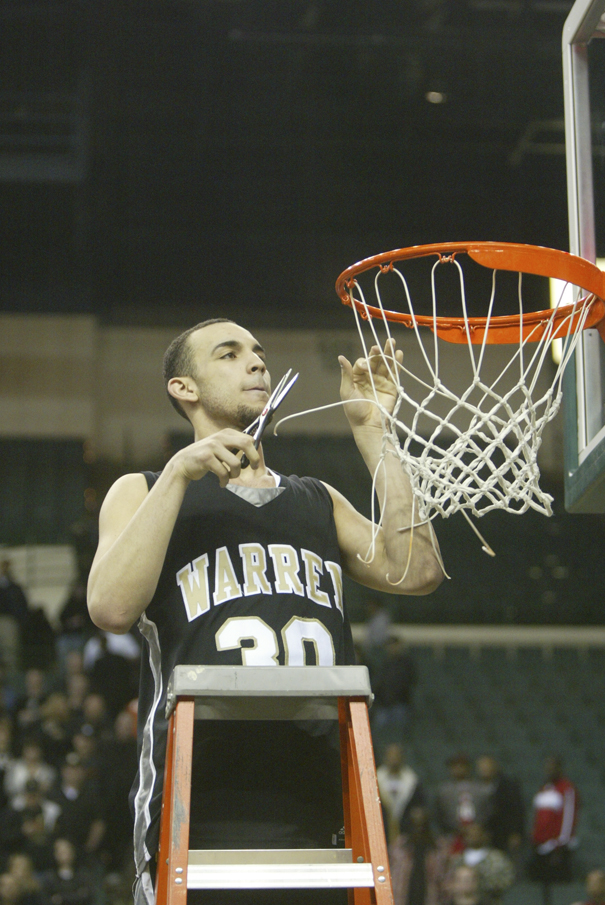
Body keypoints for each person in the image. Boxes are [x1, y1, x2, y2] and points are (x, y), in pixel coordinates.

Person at [86, 318, 444, 904]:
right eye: (229, 354)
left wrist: (376, 431)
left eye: (258, 352)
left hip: (315, 790)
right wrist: (180, 471)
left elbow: (418, 570)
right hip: (197, 798)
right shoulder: (143, 487)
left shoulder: (316, 498)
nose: (256, 363)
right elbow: (110, 607)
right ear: (184, 388)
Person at [528, 755, 579, 901]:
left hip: (557, 849)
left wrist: (561, 845)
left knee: (559, 893)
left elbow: (569, 820)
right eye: (547, 767)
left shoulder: (567, 789)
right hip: (540, 847)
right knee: (540, 892)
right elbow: (537, 818)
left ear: (559, 768)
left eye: (552, 767)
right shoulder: (543, 789)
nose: (549, 770)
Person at [388, 805, 449, 905]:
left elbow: (445, 880)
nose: (419, 829)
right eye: (415, 824)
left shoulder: (439, 849)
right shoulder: (398, 847)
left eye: (422, 824)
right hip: (402, 898)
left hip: (431, 899)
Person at [447, 822, 515, 905]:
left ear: (484, 835)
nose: (473, 837)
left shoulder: (497, 858)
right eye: (470, 835)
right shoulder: (457, 860)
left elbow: (508, 880)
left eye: (477, 834)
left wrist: (481, 884)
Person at [434, 754, 492, 842]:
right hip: (452, 834)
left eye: (461, 766)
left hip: (478, 833)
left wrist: (476, 827)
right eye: (455, 766)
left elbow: (487, 811)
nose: (458, 769)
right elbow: (440, 815)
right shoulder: (443, 792)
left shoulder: (481, 789)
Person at [475, 755, 524, 857]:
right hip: (485, 834)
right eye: (482, 767)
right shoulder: (476, 787)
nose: (484, 770)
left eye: (487, 766)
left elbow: (517, 810)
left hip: (504, 833)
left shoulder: (508, 786)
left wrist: (515, 833)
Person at [377, 743, 425, 844]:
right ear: (385, 757)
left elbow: (419, 806)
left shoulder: (412, 781)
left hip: (406, 833)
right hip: (381, 831)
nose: (394, 758)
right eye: (391, 755)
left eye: (397, 755)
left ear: (402, 757)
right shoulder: (376, 779)